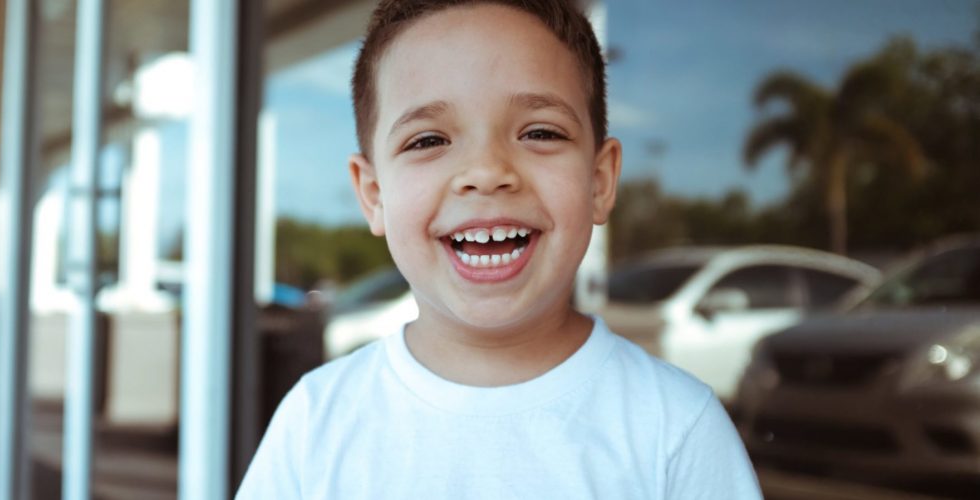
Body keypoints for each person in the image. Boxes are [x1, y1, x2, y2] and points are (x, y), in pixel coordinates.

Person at [237, 1, 762, 498]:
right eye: (428, 140)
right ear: (373, 195)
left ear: (599, 181)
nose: (487, 172)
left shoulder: (675, 428)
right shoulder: (315, 422)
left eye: (539, 132)